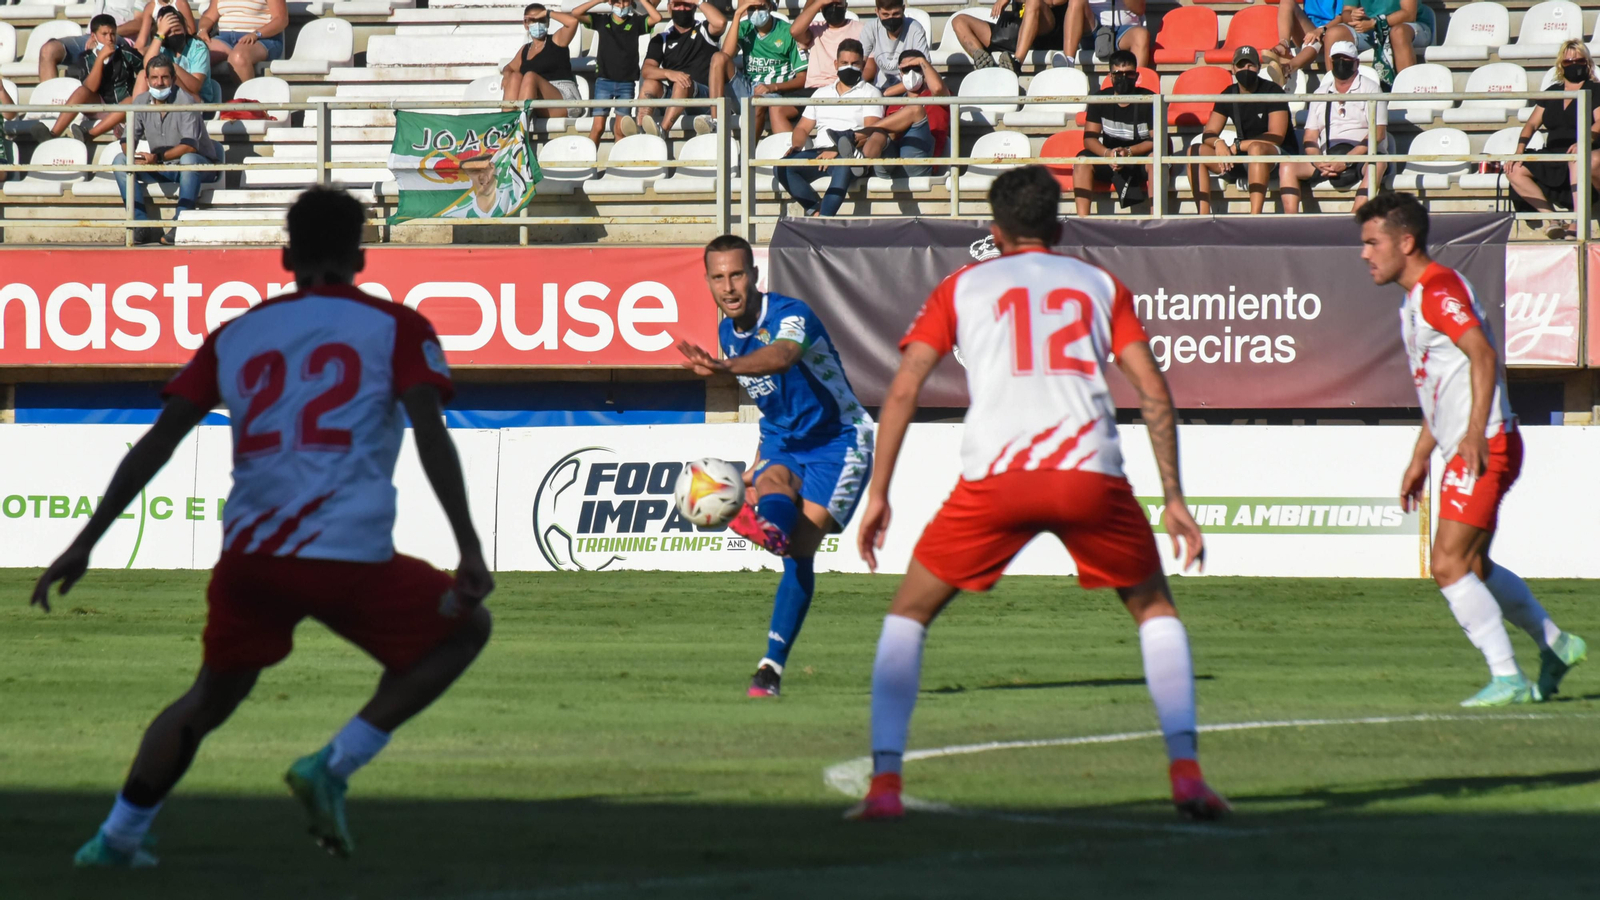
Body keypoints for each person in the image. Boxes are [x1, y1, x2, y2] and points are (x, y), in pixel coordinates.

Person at [33, 185, 496, 868]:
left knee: (207, 697)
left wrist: (85, 540)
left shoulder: (235, 335)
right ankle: (333, 764)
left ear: (286, 257)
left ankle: (118, 840)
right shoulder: (398, 327)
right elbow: (431, 432)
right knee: (466, 630)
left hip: (252, 556)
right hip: (349, 557)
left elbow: (158, 442)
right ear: (361, 257)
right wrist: (469, 548)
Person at [846, 165, 1224, 823]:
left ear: (994, 229)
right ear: (1058, 226)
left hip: (997, 478)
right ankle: (1187, 774)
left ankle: (884, 787)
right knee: (1154, 608)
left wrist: (879, 493)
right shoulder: (1100, 284)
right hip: (1090, 475)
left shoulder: (962, 285)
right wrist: (1175, 498)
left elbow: (904, 386)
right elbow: (1154, 391)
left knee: (908, 614)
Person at [1355, 192, 1587, 707]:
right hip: (1469, 442)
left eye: (1373, 242)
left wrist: (1476, 431)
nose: (1365, 253)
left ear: (1406, 241)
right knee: (1473, 565)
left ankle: (1506, 676)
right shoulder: (1415, 301)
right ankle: (1556, 644)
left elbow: (1481, 355)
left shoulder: (1438, 290)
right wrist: (1421, 454)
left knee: (1447, 565)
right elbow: (1441, 386)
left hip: (1486, 444)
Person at [677, 235, 874, 698]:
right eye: (719, 277)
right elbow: (774, 410)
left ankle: (769, 534)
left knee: (800, 549)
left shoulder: (790, 315)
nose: (729, 287)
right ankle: (768, 671)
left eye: (737, 275)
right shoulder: (729, 333)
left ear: (755, 275)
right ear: (707, 282)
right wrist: (752, 469)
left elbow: (784, 358)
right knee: (775, 484)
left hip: (841, 440)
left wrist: (727, 369)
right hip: (784, 441)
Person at [115, 56, 223, 245]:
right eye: (154, 78)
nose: (159, 83)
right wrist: (132, 155)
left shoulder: (186, 101)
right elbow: (127, 139)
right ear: (147, 80)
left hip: (199, 165)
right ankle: (140, 225)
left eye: (165, 77)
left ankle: (181, 224)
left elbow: (190, 145)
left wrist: (156, 158)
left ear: (173, 79)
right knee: (120, 161)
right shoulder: (140, 101)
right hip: (162, 165)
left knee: (189, 159)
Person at [1505, 40, 1600, 240]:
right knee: (1514, 168)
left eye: (1579, 60)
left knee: (1578, 158)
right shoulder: (1552, 92)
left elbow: (1599, 121)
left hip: (1584, 148)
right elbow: (1531, 124)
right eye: (1568, 61)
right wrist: (1520, 149)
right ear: (1561, 65)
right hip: (1554, 152)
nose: (1574, 64)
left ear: (1587, 63)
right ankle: (1553, 220)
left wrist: (1584, 141)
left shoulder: (1596, 90)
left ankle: (1578, 221)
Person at [776, 39, 883, 216]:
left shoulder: (871, 93)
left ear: (863, 65)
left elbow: (870, 130)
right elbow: (802, 128)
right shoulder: (821, 93)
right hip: (819, 152)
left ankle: (824, 222)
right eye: (844, 63)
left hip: (850, 154)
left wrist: (837, 150)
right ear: (835, 64)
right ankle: (815, 211)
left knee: (842, 165)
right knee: (782, 167)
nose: (849, 67)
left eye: (855, 63)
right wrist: (796, 146)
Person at [1280, 41, 1386, 214]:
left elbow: (1378, 134)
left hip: (1362, 155)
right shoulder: (1320, 93)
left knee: (1378, 163)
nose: (1341, 62)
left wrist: (1347, 160)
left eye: (1346, 58)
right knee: (1287, 166)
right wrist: (1318, 161)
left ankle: (1355, 218)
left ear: (1356, 63)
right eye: (1337, 59)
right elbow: (1310, 136)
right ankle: (1291, 222)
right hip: (1328, 156)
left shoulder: (1372, 89)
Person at [1189, 46, 1295, 216]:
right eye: (1241, 65)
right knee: (1194, 150)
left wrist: (1237, 146)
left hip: (1276, 157)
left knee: (1256, 148)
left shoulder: (1272, 91)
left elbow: (1277, 136)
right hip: (1243, 157)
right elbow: (1209, 132)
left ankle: (1254, 217)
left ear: (1259, 68)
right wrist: (1218, 143)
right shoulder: (1228, 94)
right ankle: (1202, 216)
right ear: (1233, 68)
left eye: (1250, 66)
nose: (1246, 70)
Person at [1072, 48, 1153, 215]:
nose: (1123, 78)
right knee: (1082, 160)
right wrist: (1108, 154)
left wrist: (1129, 152)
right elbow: (1089, 139)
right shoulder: (1099, 98)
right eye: (1118, 74)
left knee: (1156, 160)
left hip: (1139, 158)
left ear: (1136, 76)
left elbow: (1157, 140)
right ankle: (1082, 222)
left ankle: (1156, 219)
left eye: (1129, 74)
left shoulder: (1150, 99)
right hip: (1110, 158)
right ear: (1110, 77)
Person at [711, 0, 808, 138]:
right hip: (746, 88)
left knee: (755, 102)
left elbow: (802, 78)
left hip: (775, 93)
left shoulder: (787, 31)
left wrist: (772, 87)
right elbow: (726, 55)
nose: (756, 12)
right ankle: (715, 121)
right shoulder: (744, 27)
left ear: (770, 6)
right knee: (718, 57)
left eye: (760, 7)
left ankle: (747, 154)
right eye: (752, 8)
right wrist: (738, 14)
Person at [47, 15, 146, 143]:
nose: (109, 39)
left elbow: (146, 71)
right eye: (104, 34)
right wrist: (100, 59)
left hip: (124, 107)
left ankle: (90, 135)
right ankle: (53, 134)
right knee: (82, 91)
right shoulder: (86, 58)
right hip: (101, 106)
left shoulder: (126, 53)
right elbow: (90, 88)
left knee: (130, 101)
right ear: (93, 36)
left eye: (112, 34)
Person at [573, 0, 660, 144]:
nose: (621, 6)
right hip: (603, 82)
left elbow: (656, 18)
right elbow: (576, 12)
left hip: (626, 84)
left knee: (621, 130)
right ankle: (589, 162)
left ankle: (617, 165)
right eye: (617, 2)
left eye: (625, 2)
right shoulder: (602, 21)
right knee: (598, 128)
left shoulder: (636, 22)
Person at [37, 0, 190, 82]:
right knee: (48, 50)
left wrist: (105, 36)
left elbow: (140, 22)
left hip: (119, 38)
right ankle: (48, 110)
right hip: (90, 36)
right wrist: (96, 36)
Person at [640, 0, 729, 136]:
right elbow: (646, 70)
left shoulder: (704, 30)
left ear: (694, 7)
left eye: (687, 4)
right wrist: (670, 74)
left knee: (682, 83)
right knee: (649, 84)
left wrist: (696, 1)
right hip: (675, 96)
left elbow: (721, 23)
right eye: (677, 4)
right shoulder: (662, 39)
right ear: (669, 8)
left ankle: (662, 131)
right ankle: (640, 130)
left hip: (704, 98)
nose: (682, 8)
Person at [869, 49, 947, 179]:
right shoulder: (893, 104)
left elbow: (938, 88)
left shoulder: (936, 97)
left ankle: (858, 134)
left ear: (924, 72)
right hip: (891, 167)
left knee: (914, 109)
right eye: (906, 69)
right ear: (900, 74)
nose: (911, 73)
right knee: (879, 132)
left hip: (919, 164)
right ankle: (861, 163)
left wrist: (922, 61)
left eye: (916, 68)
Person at [501, 3, 587, 119]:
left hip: (563, 97)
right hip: (536, 99)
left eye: (541, 20)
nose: (537, 24)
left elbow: (572, 22)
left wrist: (548, 13)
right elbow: (509, 67)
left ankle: (520, 124)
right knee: (515, 76)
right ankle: (507, 124)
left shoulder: (557, 40)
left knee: (530, 76)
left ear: (548, 22)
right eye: (532, 20)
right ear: (526, 24)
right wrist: (507, 74)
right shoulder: (525, 49)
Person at [1323, 0, 1433, 81]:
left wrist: (1376, 23)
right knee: (1332, 34)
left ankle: (1406, 90)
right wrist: (1353, 15)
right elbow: (1346, 11)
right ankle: (1333, 89)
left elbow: (1409, 14)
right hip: (1370, 27)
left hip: (1410, 26)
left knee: (1398, 33)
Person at [948, 0, 1062, 73]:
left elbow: (1053, 2)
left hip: (1043, 33)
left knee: (1033, 2)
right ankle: (983, 61)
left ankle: (1016, 62)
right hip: (1013, 31)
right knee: (959, 21)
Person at [197, 0, 288, 84]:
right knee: (197, 53)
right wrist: (203, 30)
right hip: (225, 38)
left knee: (238, 58)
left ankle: (247, 99)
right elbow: (209, 16)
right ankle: (199, 98)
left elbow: (281, 20)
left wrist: (257, 34)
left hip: (261, 39)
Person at [148, 5, 222, 105]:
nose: (174, 34)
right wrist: (160, 33)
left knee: (167, 73)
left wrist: (172, 66)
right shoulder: (162, 45)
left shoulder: (198, 48)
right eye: (168, 32)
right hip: (168, 96)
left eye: (177, 30)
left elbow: (195, 87)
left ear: (185, 29)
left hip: (198, 101)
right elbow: (148, 65)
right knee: (142, 76)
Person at [792, 0, 862, 91]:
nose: (834, 8)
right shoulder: (814, 29)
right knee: (778, 106)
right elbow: (794, 31)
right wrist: (819, 2)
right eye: (829, 4)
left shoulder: (861, 29)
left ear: (846, 6)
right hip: (815, 88)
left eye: (838, 4)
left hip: (846, 87)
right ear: (821, 8)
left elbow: (869, 67)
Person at [1265, 0, 1342, 84]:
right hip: (1308, 28)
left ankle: (1287, 69)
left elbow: (1341, 18)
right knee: (1286, 2)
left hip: (1330, 31)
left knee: (1314, 42)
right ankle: (1284, 45)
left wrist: (1321, 30)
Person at [859, 0, 927, 90]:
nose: (891, 19)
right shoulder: (871, 28)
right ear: (877, 12)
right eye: (885, 14)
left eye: (896, 14)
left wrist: (886, 94)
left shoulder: (915, 29)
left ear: (903, 9)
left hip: (910, 90)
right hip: (880, 88)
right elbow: (859, 62)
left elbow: (924, 72)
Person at [1062, 0, 1150, 70]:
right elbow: (1053, 2)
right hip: (1093, 28)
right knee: (1076, 1)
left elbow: (1139, 9)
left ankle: (1136, 84)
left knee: (1141, 36)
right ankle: (1068, 65)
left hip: (1124, 32)